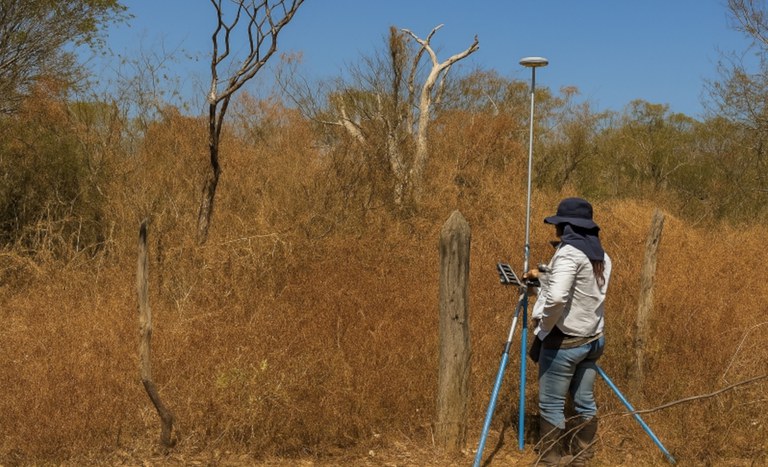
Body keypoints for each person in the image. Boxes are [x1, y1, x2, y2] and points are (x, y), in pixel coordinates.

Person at [524, 197, 612, 466]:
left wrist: (543, 327)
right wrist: (543, 283)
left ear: (567, 227)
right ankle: (582, 458)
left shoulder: (568, 254)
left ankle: (550, 461)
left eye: (559, 225)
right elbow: (581, 294)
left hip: (565, 343)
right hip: (593, 340)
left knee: (551, 404)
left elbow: (559, 299)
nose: (556, 231)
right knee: (584, 401)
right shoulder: (602, 256)